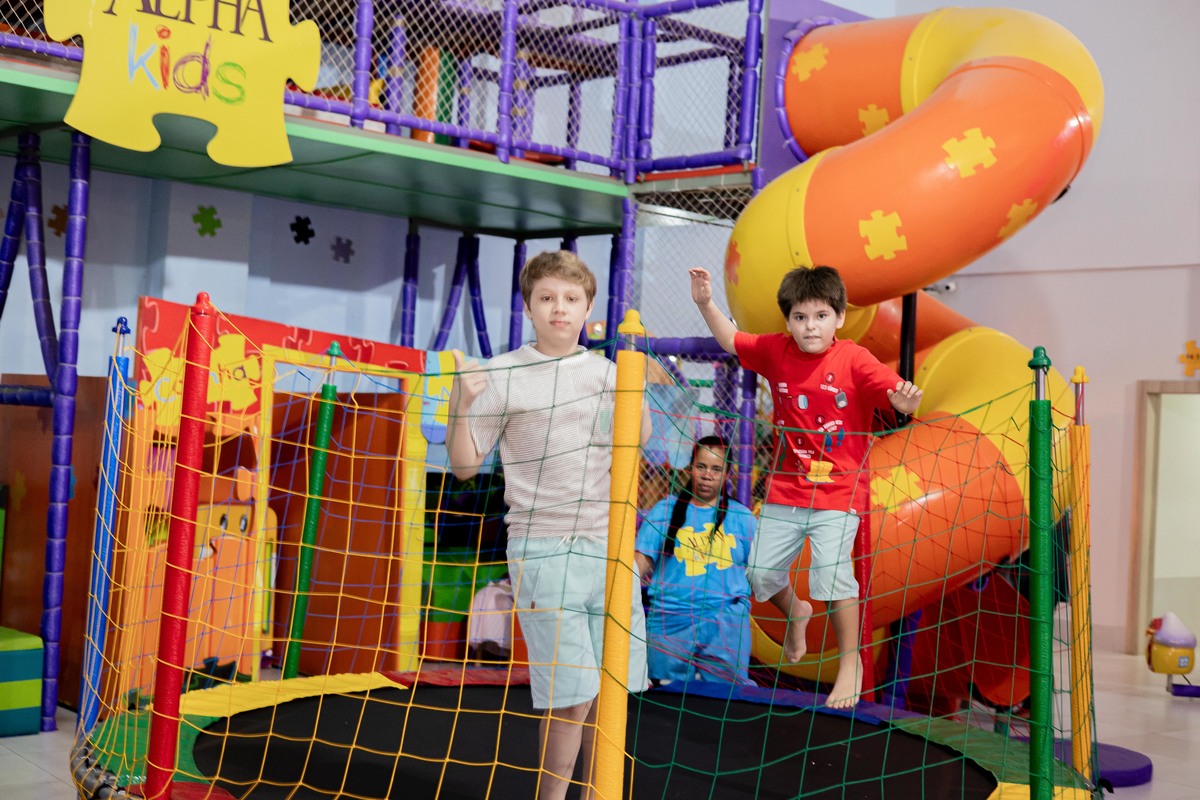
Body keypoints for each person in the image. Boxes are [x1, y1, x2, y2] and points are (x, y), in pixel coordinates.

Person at [448, 250, 649, 800]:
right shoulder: (502, 374)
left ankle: (599, 793)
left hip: (608, 548)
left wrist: (639, 384)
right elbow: (464, 466)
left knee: (611, 688)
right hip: (543, 547)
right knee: (570, 695)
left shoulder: (609, 374)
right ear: (529, 307)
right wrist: (462, 403)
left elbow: (638, 442)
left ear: (587, 307)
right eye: (547, 298)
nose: (559, 308)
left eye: (571, 298)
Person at [688, 265, 922, 709]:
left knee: (832, 577)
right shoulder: (776, 351)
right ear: (788, 321)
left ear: (839, 318)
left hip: (839, 494)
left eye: (820, 316)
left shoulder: (854, 358)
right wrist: (705, 303)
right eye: (800, 317)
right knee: (759, 574)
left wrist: (904, 401)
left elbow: (896, 393)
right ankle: (796, 610)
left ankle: (851, 665)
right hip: (787, 489)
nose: (809, 326)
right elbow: (731, 339)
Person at [634, 435, 756, 685]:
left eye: (716, 469)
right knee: (665, 699)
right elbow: (638, 566)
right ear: (690, 468)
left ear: (727, 474)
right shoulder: (665, 511)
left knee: (726, 698)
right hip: (670, 623)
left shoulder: (742, 518)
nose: (707, 475)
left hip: (725, 627)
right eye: (701, 466)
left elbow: (765, 575)